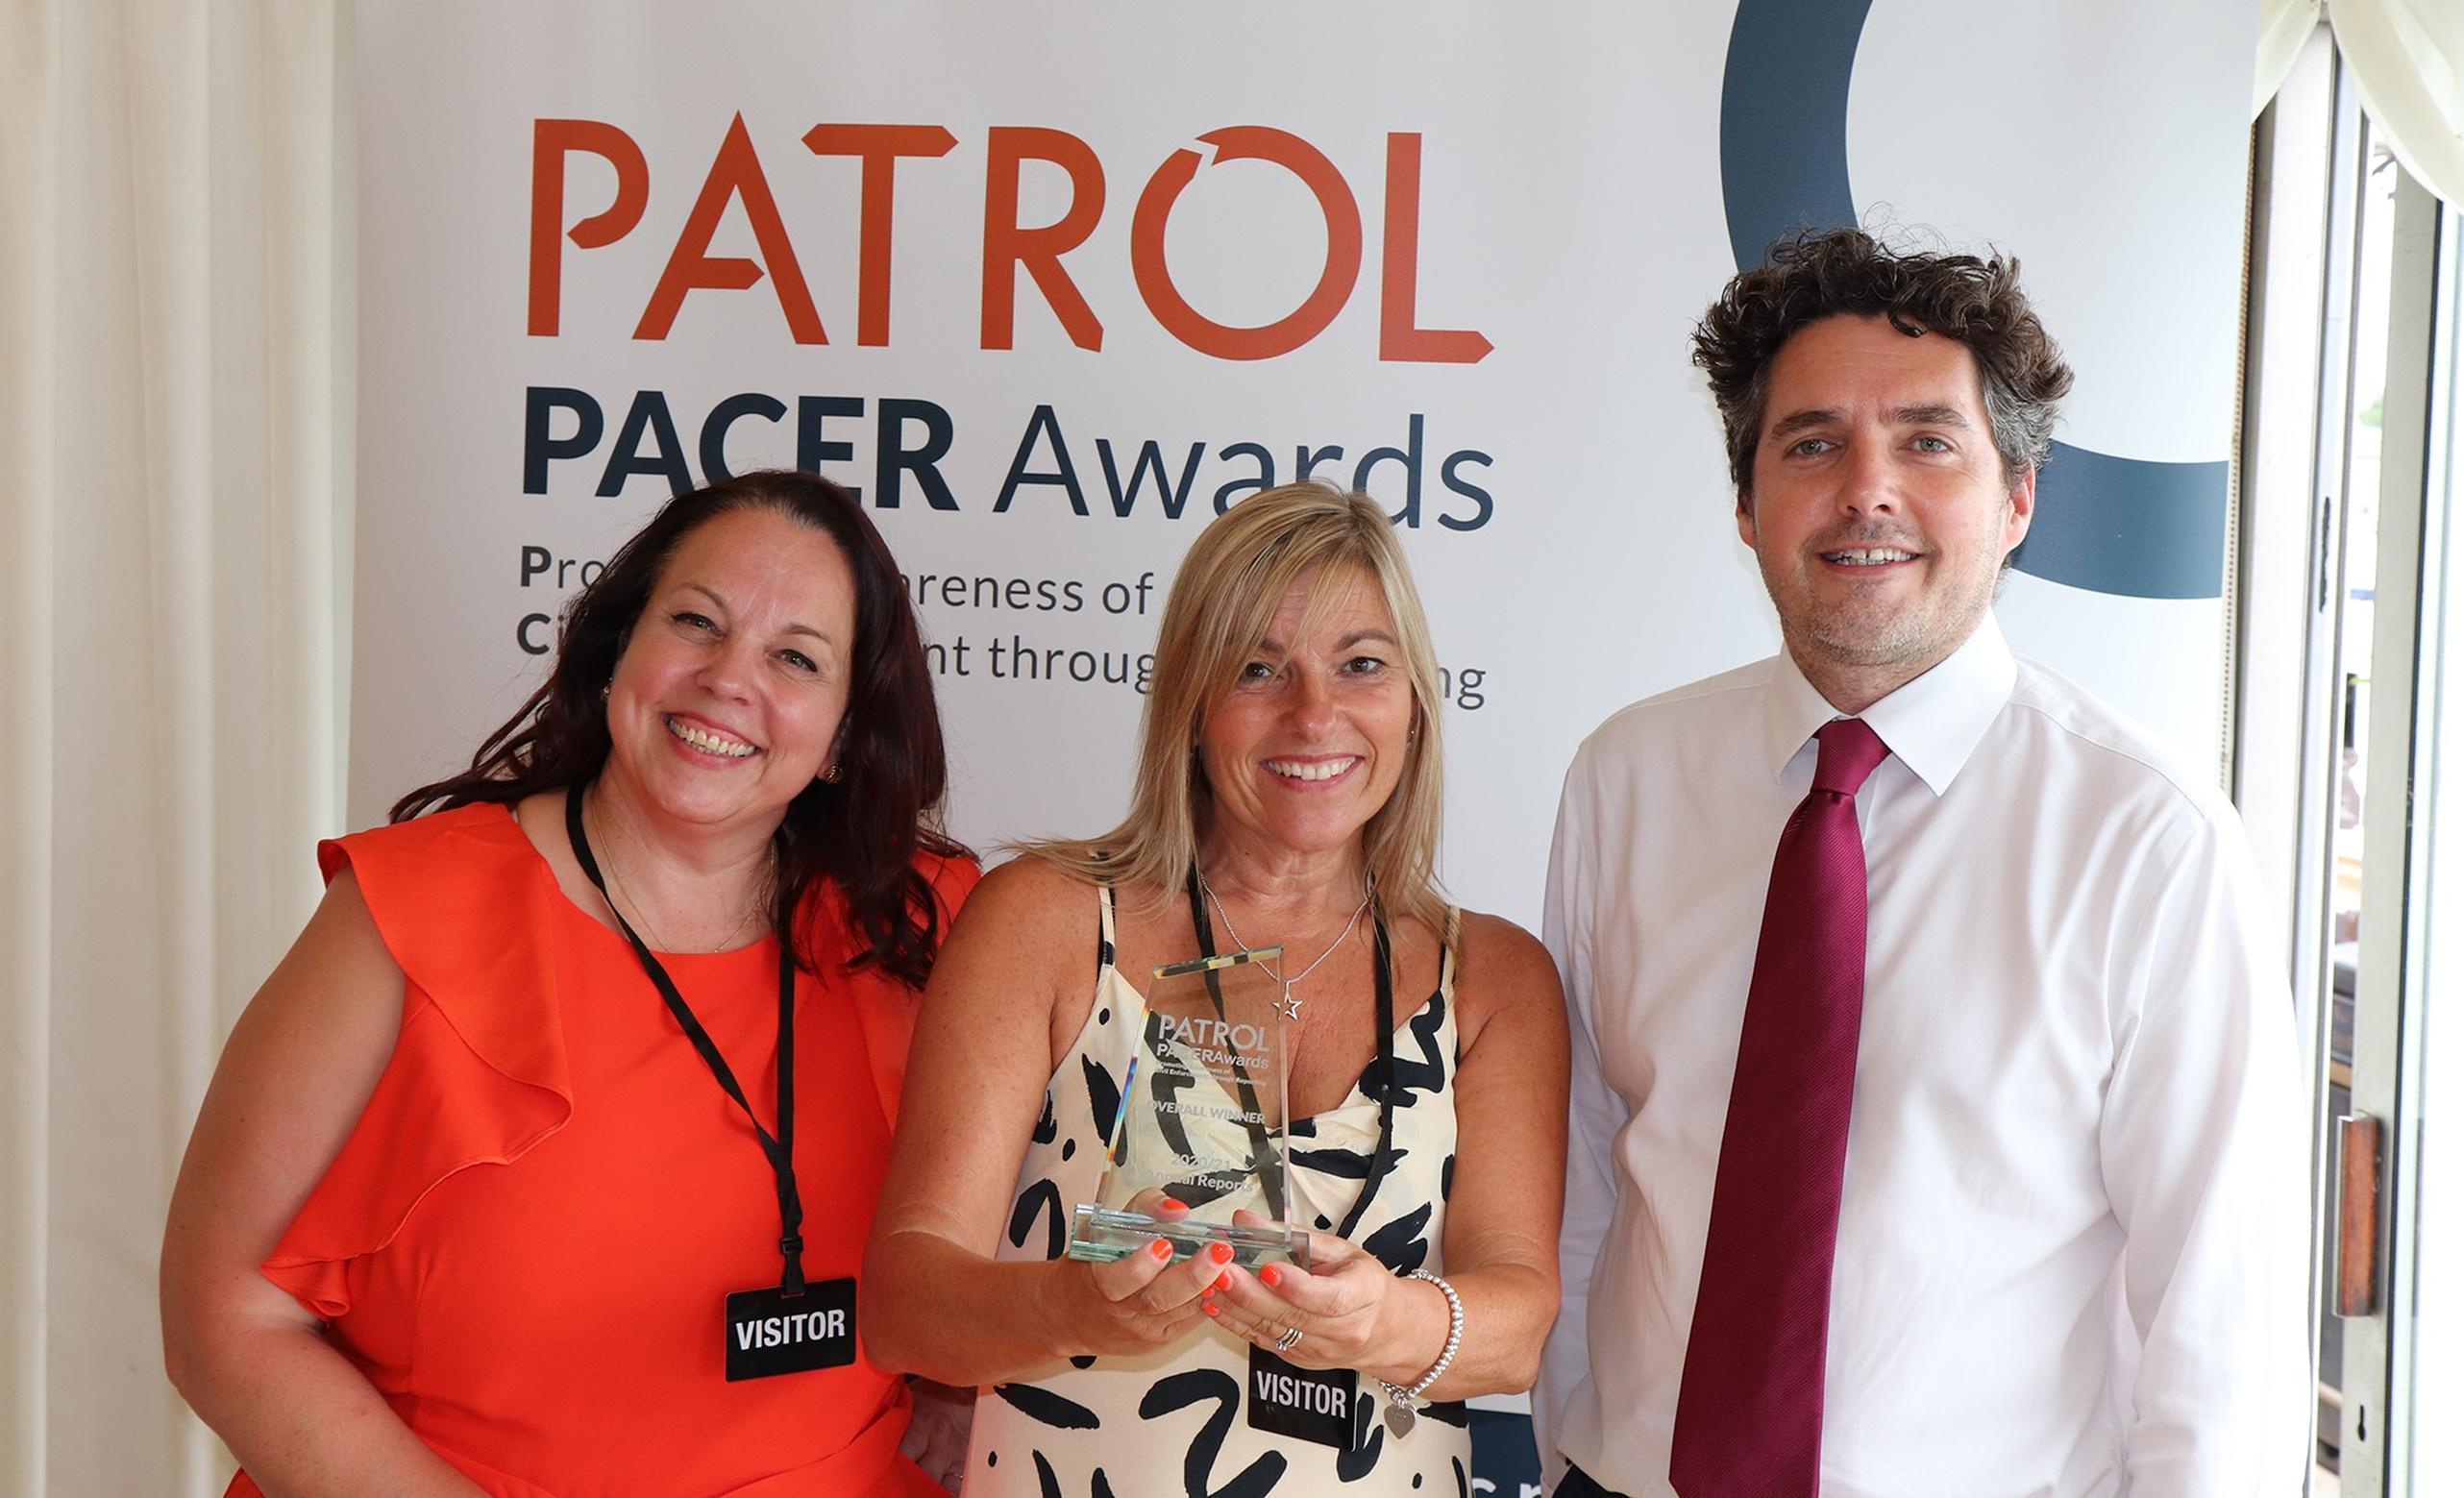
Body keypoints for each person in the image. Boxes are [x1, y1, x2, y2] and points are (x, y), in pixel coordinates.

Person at [1537, 229, 2306, 1497]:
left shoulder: (2146, 838)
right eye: (1812, 441)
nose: (1867, 488)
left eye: (1928, 440)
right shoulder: (1626, 777)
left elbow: (2219, 1322)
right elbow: (1584, 1175)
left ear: (2018, 498)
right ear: (1746, 502)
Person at [160, 470, 977, 1497]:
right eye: (695, 620)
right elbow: (222, 1311)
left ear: (845, 735)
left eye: (795, 657)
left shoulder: (920, 931)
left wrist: (963, 1394)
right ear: (614, 651)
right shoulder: (408, 913)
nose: (730, 678)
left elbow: (1004, 1252)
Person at [862, 482, 1568, 1495]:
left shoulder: (1493, 975)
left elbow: (1519, 1326)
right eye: (1257, 668)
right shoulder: (1047, 919)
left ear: (1413, 700)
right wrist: (1076, 1307)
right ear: (1191, 707)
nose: (1313, 713)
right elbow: (903, 1301)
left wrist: (1385, 1320)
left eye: (1360, 664)